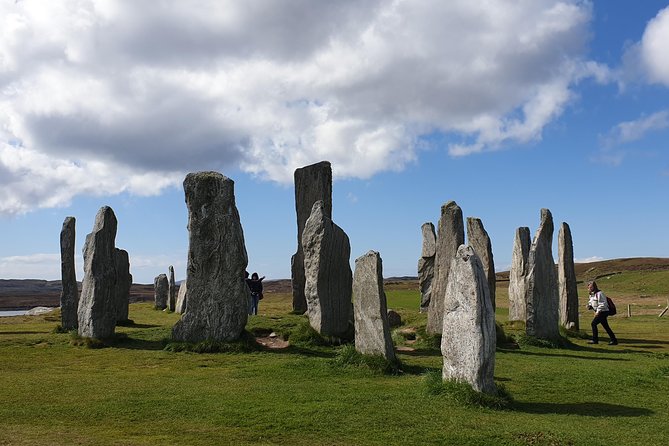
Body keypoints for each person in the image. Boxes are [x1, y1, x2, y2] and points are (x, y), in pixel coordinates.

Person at [586, 280, 618, 345]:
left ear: (594, 287)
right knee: (606, 326)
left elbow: (603, 304)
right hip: (600, 312)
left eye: (590, 287)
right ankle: (614, 340)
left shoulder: (600, 293)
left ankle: (595, 340)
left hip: (603, 312)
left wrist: (597, 312)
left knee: (593, 324)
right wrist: (589, 306)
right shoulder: (592, 295)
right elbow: (592, 302)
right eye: (588, 287)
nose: (589, 288)